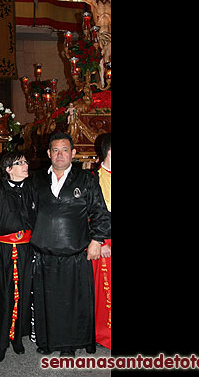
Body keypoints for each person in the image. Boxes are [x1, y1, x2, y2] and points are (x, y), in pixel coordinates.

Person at [28, 131, 111, 357]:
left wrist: (96, 240)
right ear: (49, 153)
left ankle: (69, 346)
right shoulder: (36, 180)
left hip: (75, 253)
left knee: (73, 303)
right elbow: (27, 213)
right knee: (48, 301)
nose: (60, 154)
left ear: (73, 153)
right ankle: (47, 342)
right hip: (45, 253)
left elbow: (100, 213)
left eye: (65, 150)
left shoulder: (86, 180)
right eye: (55, 150)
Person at [0, 151, 35, 362]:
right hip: (2, 252)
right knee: (3, 296)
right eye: (20, 163)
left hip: (25, 250)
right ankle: (1, 341)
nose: (25, 165)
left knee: (23, 293)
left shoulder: (31, 189)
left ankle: (17, 338)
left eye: (25, 161)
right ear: (9, 169)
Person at [64, 0, 111, 86]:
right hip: (99, 32)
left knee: (108, 56)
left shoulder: (110, 3)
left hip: (109, 32)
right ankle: (103, 82)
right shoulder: (94, 3)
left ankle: (107, 81)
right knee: (102, 55)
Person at [92, 133, 111, 349]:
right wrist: (102, 241)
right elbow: (92, 215)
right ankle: (105, 333)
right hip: (105, 243)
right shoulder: (94, 179)